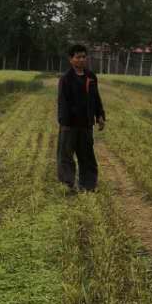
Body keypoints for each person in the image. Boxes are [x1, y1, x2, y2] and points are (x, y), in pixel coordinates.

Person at [57, 43, 106, 193]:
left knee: (87, 156)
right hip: (70, 124)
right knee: (66, 156)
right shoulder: (66, 79)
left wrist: (100, 116)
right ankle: (68, 184)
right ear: (71, 59)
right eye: (78, 57)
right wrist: (64, 122)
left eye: (84, 57)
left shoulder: (91, 77)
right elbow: (62, 102)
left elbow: (96, 98)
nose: (82, 60)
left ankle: (89, 185)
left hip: (86, 123)